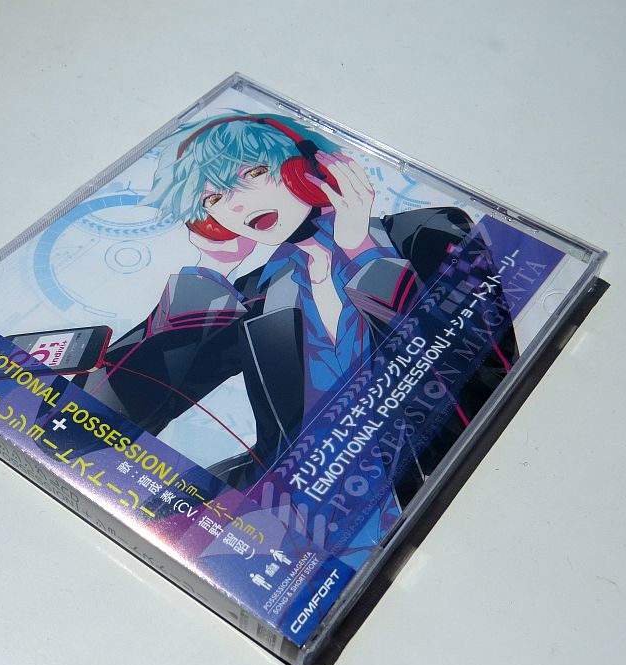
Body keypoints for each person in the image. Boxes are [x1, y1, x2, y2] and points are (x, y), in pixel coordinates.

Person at [80, 113, 427, 491]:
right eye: (214, 199)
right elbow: (90, 423)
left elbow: (454, 360)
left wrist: (363, 254)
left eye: (253, 173)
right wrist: (210, 270)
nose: (237, 206)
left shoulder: (426, 232)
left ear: (312, 168)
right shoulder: (250, 298)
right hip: (293, 499)